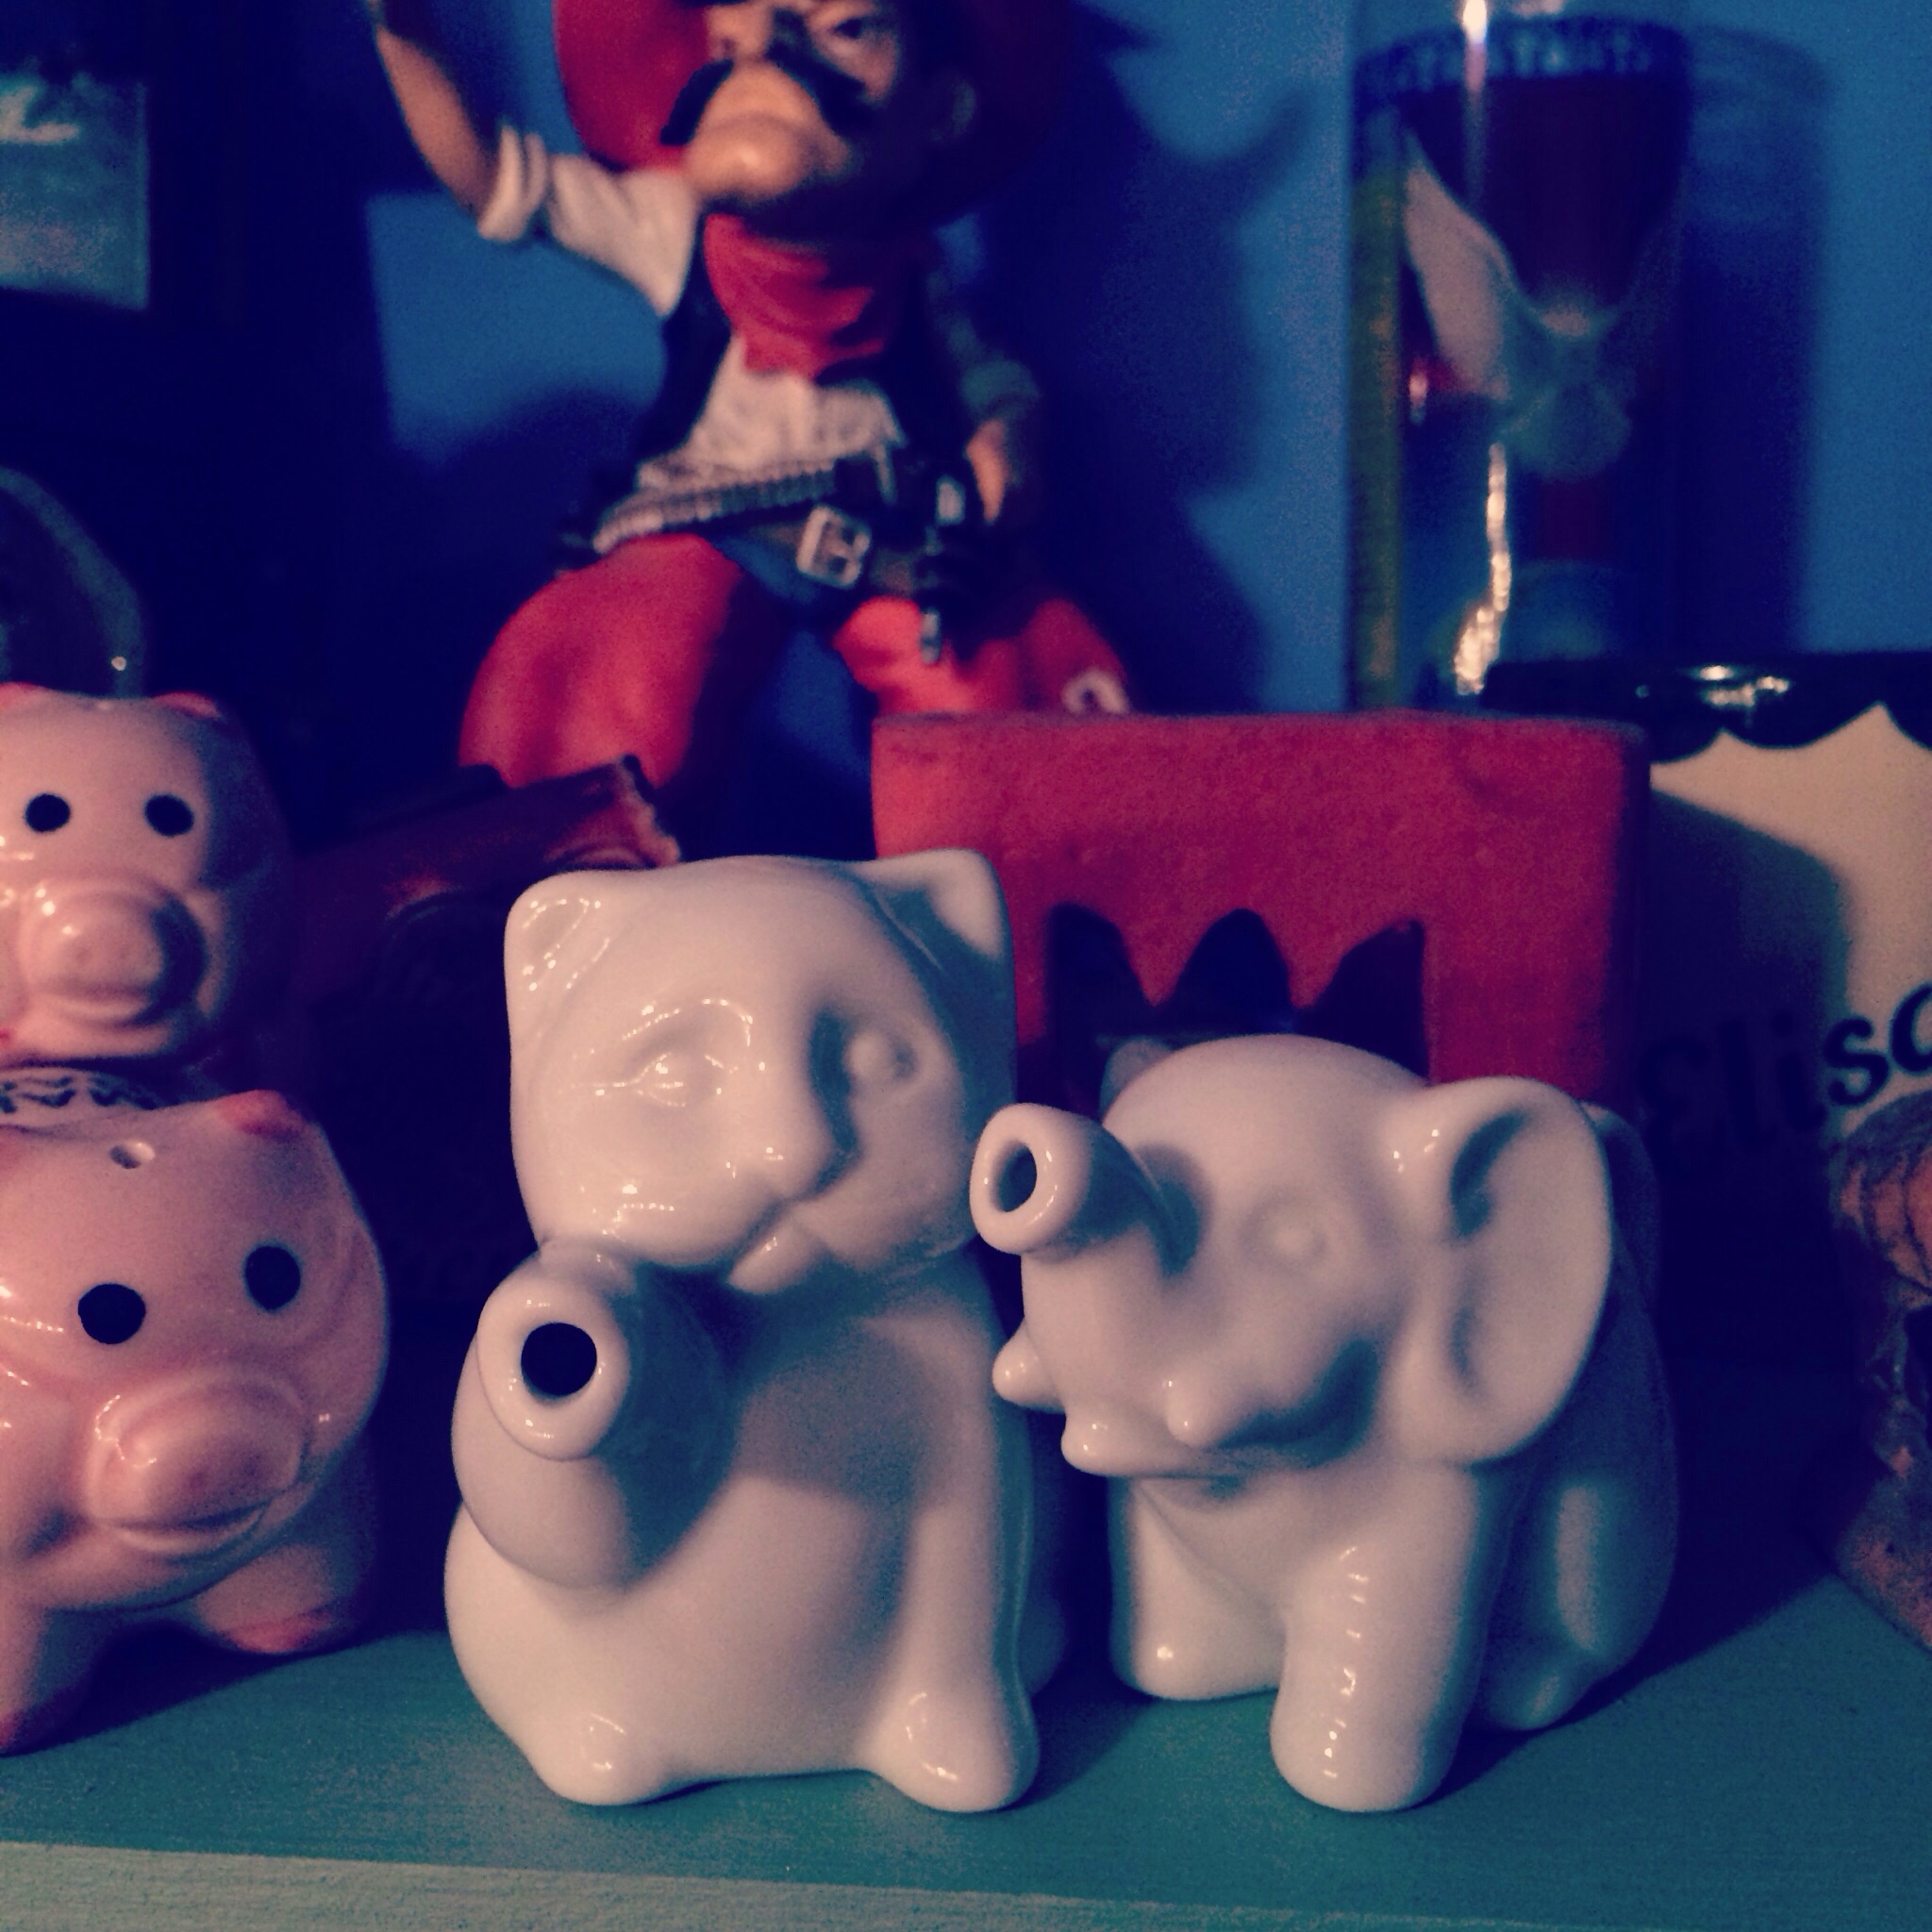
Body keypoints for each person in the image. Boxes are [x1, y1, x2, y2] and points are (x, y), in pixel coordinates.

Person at [366, 0, 1129, 817]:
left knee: (991, 684)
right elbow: (492, 179)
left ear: (942, 109)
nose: (766, 52)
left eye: (844, 27)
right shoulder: (675, 230)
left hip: (887, 531)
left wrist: (1005, 436)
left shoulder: (912, 273)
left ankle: (1025, 853)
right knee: (614, 678)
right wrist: (407, 36)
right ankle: (571, 856)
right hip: (710, 514)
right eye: (731, 38)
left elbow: (985, 377)